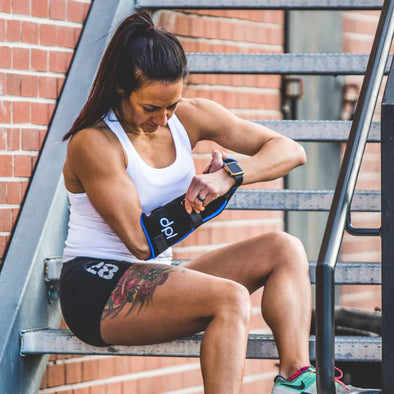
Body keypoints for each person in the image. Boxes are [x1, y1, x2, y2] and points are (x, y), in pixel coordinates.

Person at [59, 10, 380, 394]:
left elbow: (290, 151)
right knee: (230, 298)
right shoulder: (94, 143)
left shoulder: (192, 118)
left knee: (284, 248)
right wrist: (202, 203)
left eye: (171, 106)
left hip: (156, 276)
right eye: (150, 108)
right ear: (120, 88)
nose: (163, 119)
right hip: (97, 289)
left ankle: (298, 383)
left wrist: (230, 175)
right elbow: (141, 241)